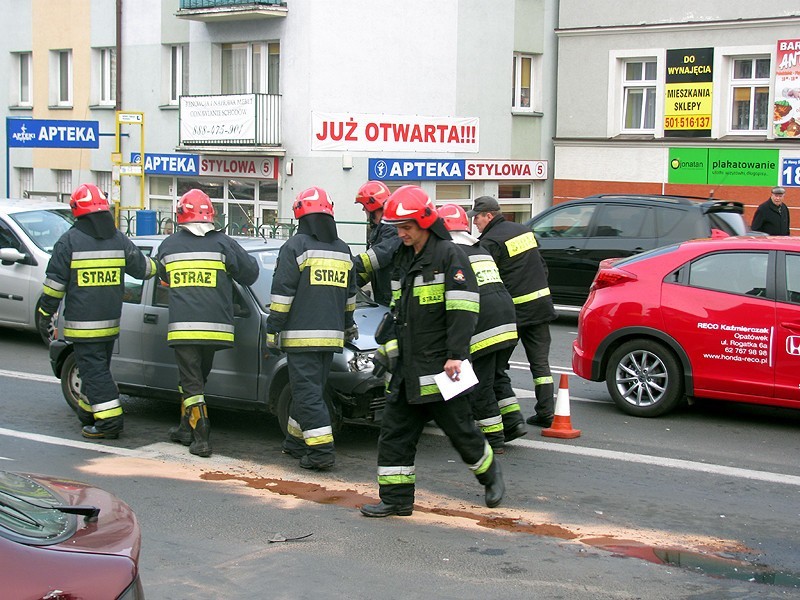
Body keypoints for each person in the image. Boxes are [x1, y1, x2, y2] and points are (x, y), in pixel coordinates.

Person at [361, 186, 505, 518]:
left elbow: (463, 309)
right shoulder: (402, 256)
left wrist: (456, 354)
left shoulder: (449, 256)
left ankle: (491, 475)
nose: (401, 233)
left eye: (407, 227)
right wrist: (388, 349)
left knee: (461, 431)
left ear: (425, 222)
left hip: (444, 366)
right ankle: (396, 499)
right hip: (408, 367)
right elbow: (398, 309)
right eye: (398, 227)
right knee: (395, 433)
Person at [38, 183, 157, 439]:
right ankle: (88, 412)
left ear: (77, 211)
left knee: (94, 372)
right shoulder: (117, 238)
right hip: (111, 322)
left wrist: (44, 314)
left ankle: (109, 423)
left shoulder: (69, 241)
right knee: (97, 369)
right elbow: (143, 269)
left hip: (83, 324)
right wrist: (165, 264)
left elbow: (54, 287)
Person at [156, 189, 259, 458]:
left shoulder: (168, 246)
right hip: (216, 329)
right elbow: (250, 273)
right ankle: (185, 428)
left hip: (184, 329)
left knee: (191, 383)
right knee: (195, 380)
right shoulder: (223, 244)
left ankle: (201, 437)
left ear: (181, 215)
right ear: (211, 216)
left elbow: (163, 278)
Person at [266, 186, 358, 471]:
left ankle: (321, 453)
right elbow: (350, 296)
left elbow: (282, 295)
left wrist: (273, 330)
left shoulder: (295, 247)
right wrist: (347, 326)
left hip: (300, 338)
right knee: (309, 390)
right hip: (331, 338)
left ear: (299, 215)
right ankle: (295, 442)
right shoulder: (343, 249)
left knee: (306, 394)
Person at [439, 203, 525, 453]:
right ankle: (512, 421)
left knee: (481, 384)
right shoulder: (480, 247)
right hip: (507, 317)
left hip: (485, 324)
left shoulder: (451, 252)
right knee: (498, 374)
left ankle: (494, 438)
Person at [468, 196, 557, 428]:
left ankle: (501, 416)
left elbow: (488, 281)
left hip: (513, 313)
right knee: (540, 365)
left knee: (496, 366)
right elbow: (542, 265)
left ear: (489, 215)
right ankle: (547, 412)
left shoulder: (490, 241)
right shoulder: (523, 231)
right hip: (540, 306)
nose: (474, 222)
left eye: (476, 217)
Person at [353, 180, 402, 305]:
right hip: (385, 297)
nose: (364, 209)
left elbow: (380, 255)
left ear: (372, 205)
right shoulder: (379, 229)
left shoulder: (392, 227)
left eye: (365, 206)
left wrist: (349, 264)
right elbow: (371, 270)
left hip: (393, 299)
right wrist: (350, 281)